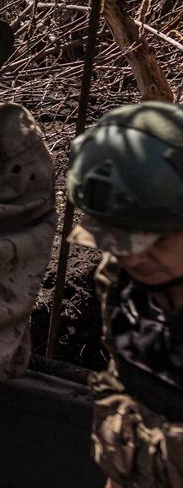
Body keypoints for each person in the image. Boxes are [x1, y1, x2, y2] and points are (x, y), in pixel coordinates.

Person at [66, 101, 183, 488]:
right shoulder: (121, 280)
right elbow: (128, 387)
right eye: (118, 238)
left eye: (155, 240)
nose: (134, 257)